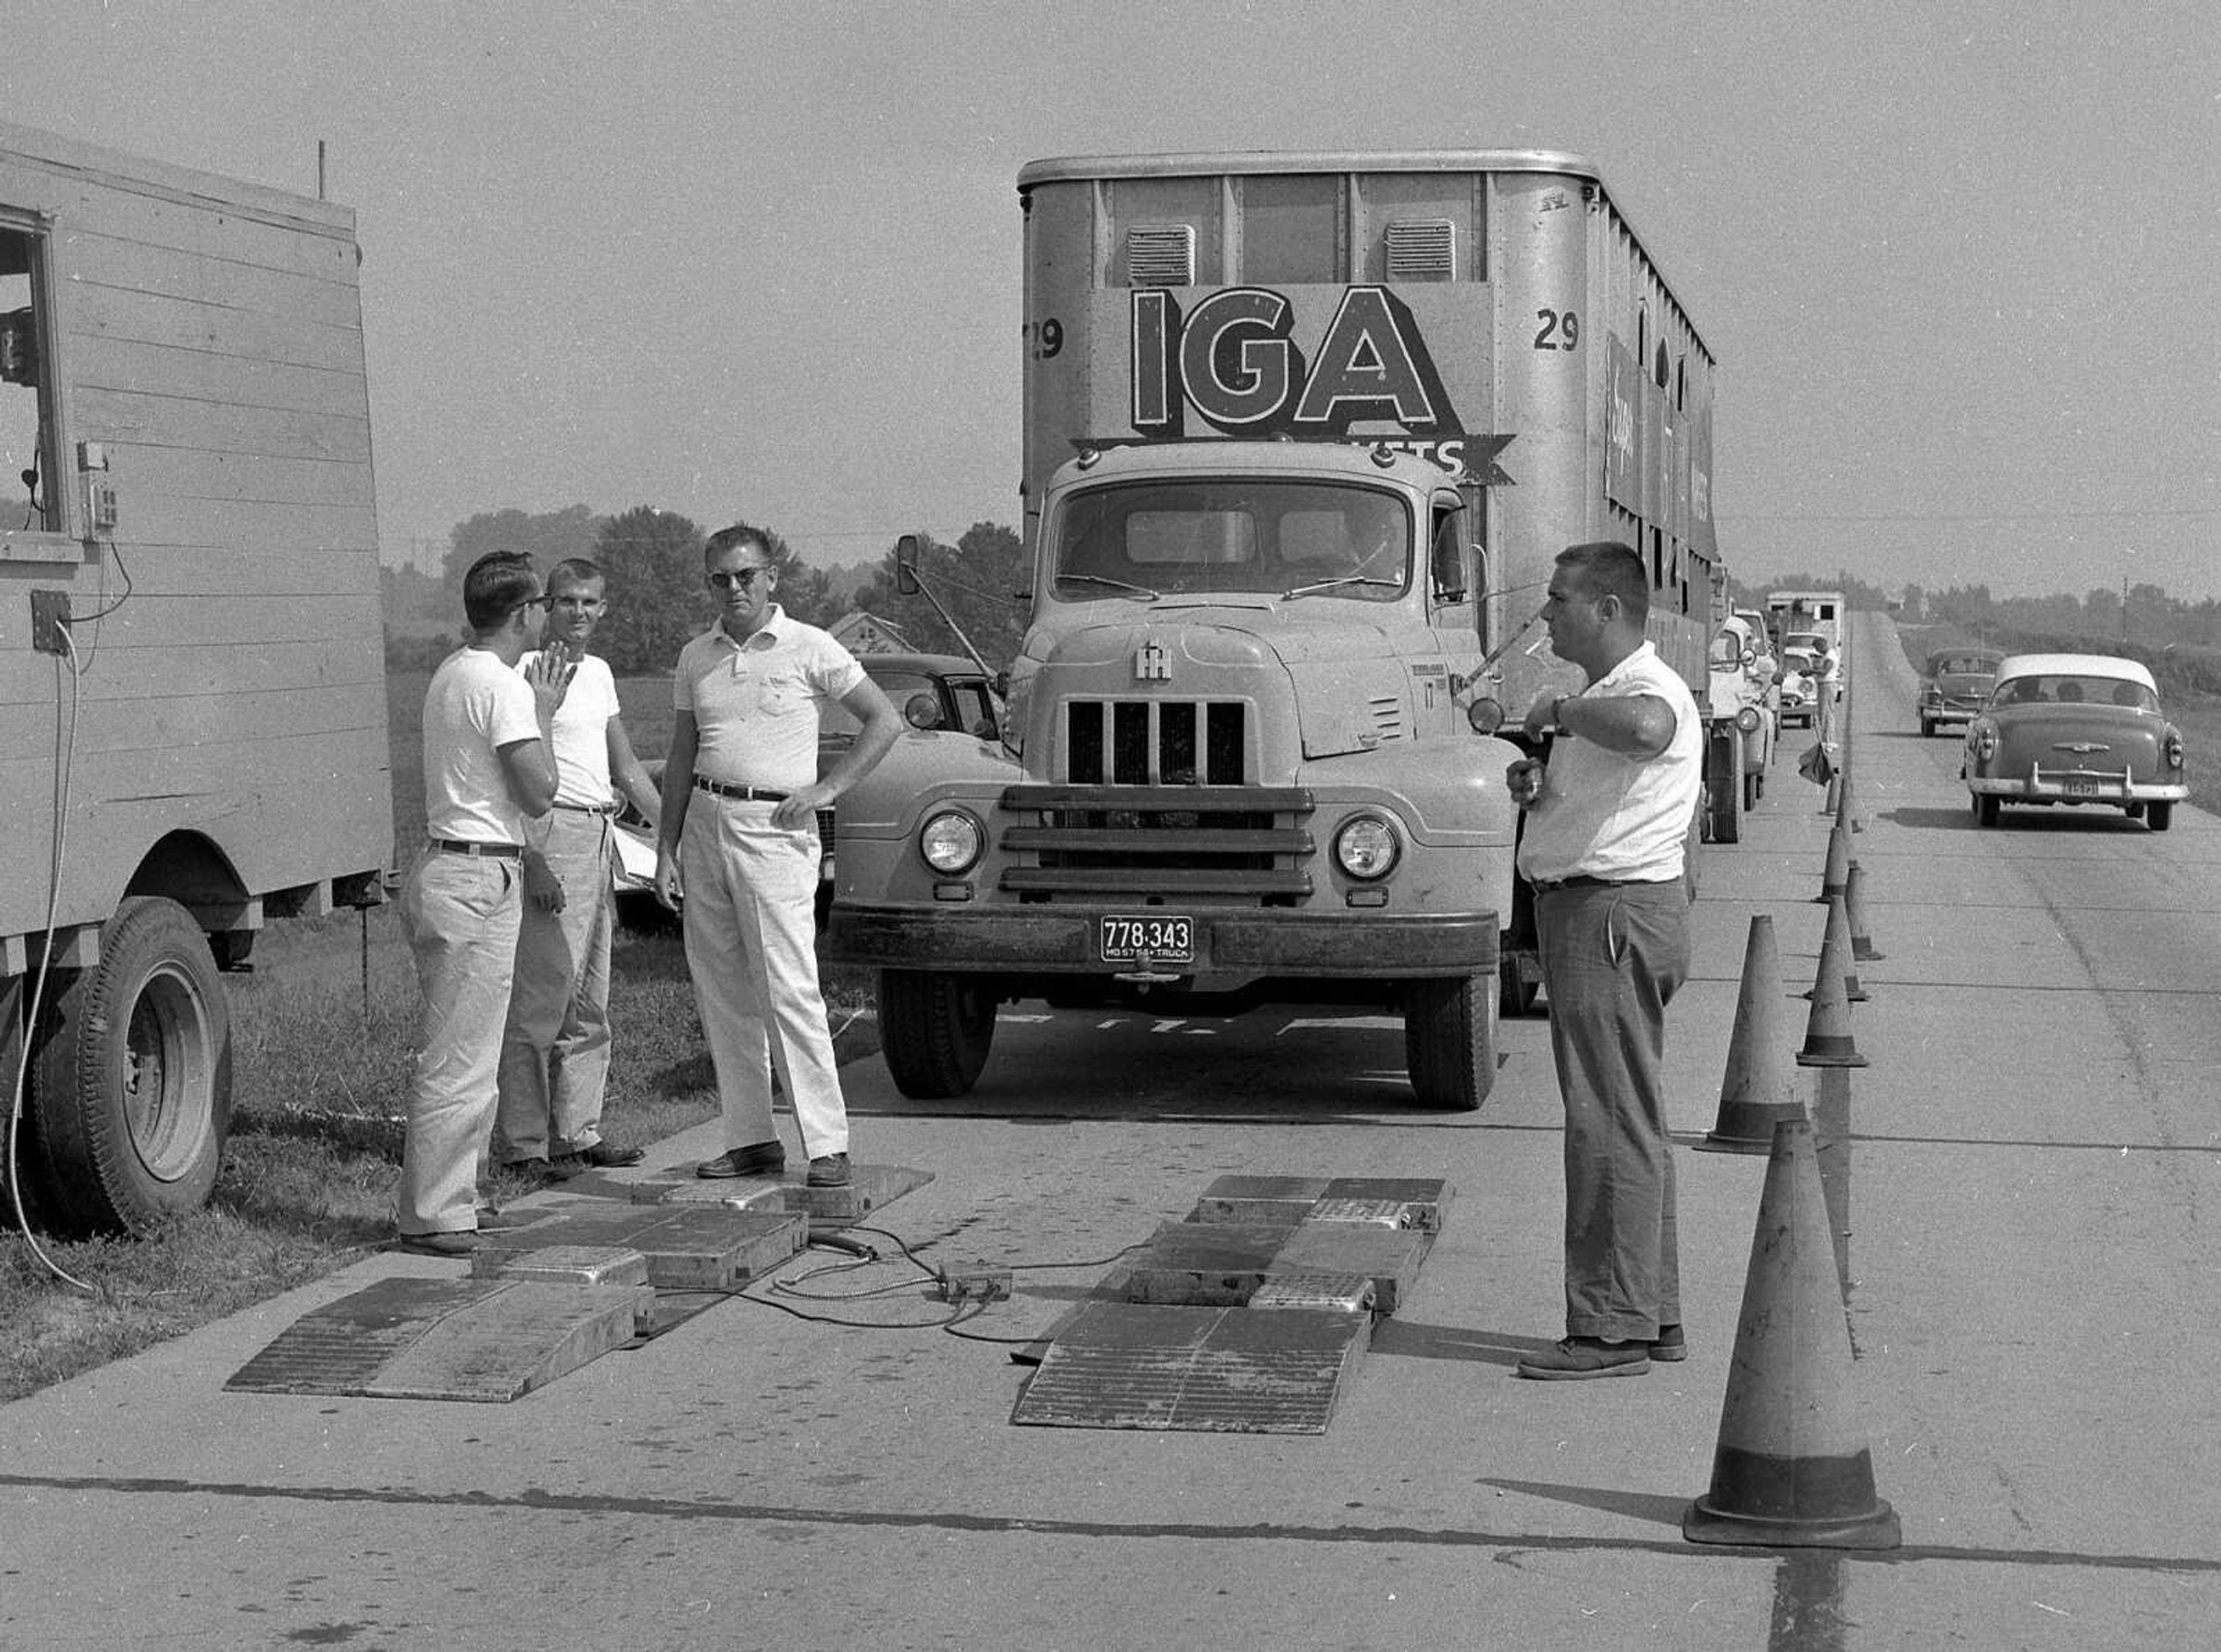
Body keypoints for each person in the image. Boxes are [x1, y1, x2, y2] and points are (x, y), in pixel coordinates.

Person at [1504, 541, 1702, 1378]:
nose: (1547, 613)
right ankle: (1648, 1315)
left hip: (1609, 918)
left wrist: (1558, 709)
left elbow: (1649, 731)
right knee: (1627, 1121)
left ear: (1608, 611)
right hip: (1605, 915)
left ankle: (1610, 1333)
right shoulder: (1607, 695)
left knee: (1606, 1126)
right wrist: (1542, 785)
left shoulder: (1640, 692)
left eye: (1559, 600)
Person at [654, 525, 903, 1188]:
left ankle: (826, 1145)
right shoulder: (695, 656)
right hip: (706, 822)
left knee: (788, 988)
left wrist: (827, 790)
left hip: (775, 829)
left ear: (772, 578)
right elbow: (682, 755)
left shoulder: (810, 646)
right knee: (722, 991)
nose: (733, 589)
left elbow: (885, 722)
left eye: (745, 576)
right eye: (719, 578)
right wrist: (666, 847)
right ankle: (751, 1139)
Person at [394, 552, 571, 1256]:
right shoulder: (501, 686)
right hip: (473, 880)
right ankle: (434, 1213)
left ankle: (453, 1196)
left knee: (469, 1050)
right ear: (525, 612)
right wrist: (548, 712)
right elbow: (539, 790)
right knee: (458, 1056)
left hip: (457, 870)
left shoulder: (451, 671)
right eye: (541, 608)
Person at [494, 558, 662, 1183]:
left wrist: (675, 834)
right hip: (549, 828)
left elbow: (627, 770)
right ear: (546, 606)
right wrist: (532, 856)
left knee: (590, 1000)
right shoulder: (521, 675)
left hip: (599, 833)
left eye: (591, 603)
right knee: (542, 999)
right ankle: (523, 1145)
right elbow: (510, 777)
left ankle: (576, 1134)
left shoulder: (598, 674)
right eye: (567, 602)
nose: (579, 614)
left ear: (604, 608)